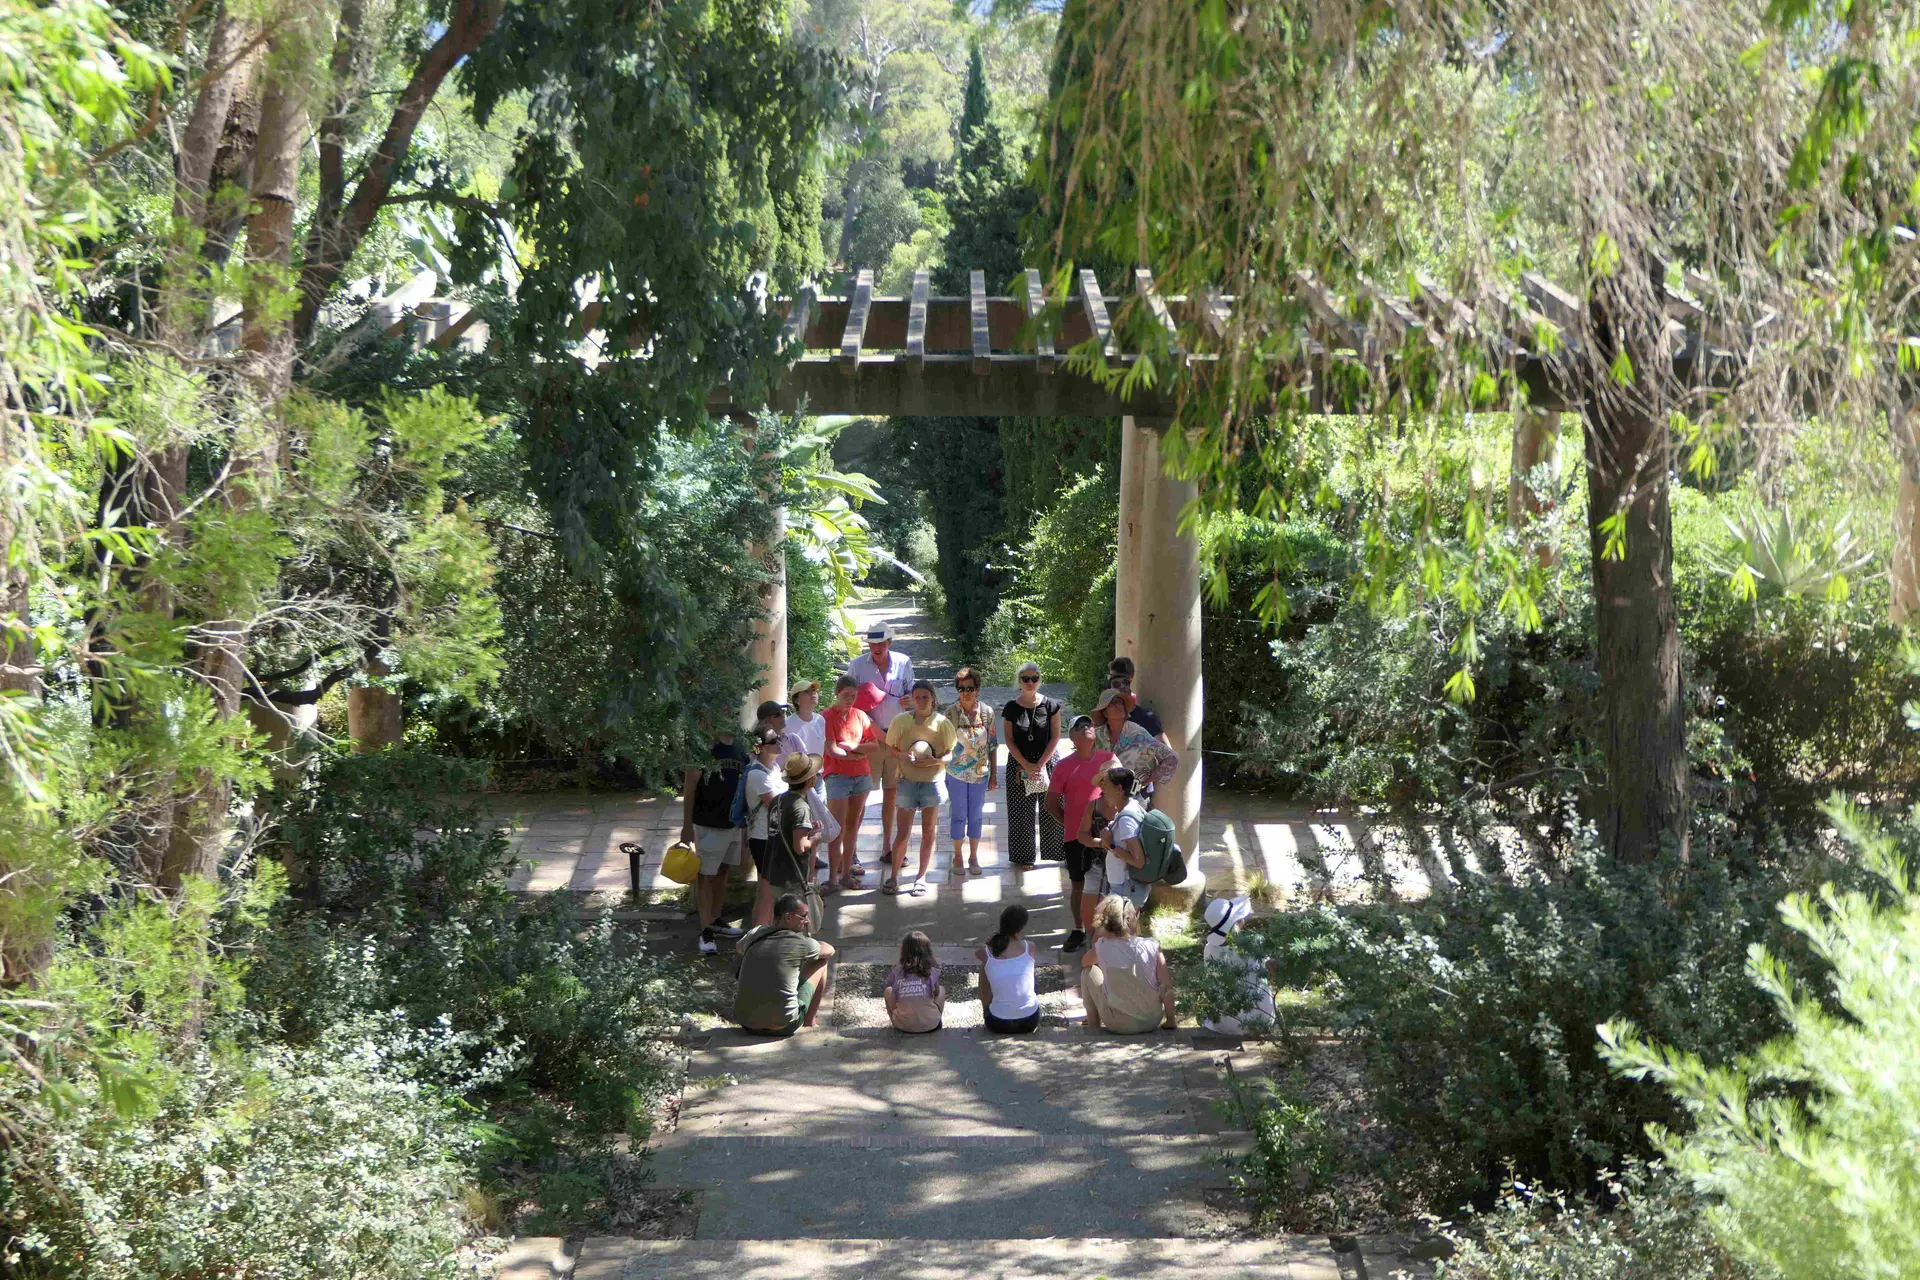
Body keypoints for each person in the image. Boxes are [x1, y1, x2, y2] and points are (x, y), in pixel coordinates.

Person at [1045, 714, 1115, 954]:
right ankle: (1079, 930)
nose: (1086, 728)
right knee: (1078, 885)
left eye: (1089, 725)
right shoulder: (1063, 766)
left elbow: (1122, 791)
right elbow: (1050, 803)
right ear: (1071, 735)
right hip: (1075, 837)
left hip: (1107, 833)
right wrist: (1068, 822)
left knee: (1109, 882)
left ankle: (1107, 930)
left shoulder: (1109, 759)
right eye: (1080, 725)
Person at [846, 624, 914, 868]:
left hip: (897, 737)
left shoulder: (904, 662)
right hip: (869, 740)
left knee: (892, 795)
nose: (876, 648)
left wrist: (910, 701)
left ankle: (888, 849)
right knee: (860, 797)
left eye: (881, 643)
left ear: (890, 643)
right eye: (872, 643)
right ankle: (851, 854)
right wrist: (881, 737)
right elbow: (851, 705)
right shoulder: (857, 666)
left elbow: (912, 699)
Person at [679, 726, 748, 956]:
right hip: (707, 824)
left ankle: (716, 919)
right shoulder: (703, 748)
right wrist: (686, 826)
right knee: (706, 876)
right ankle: (705, 931)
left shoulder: (739, 746)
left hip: (733, 824)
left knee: (723, 871)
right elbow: (689, 790)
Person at [884, 680, 955, 896]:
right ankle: (894, 876)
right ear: (912, 699)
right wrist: (902, 755)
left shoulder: (942, 723)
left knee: (928, 831)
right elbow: (892, 748)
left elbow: (951, 754)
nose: (922, 701)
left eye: (926, 697)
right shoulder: (901, 721)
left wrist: (935, 761)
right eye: (918, 697)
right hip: (907, 781)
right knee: (903, 832)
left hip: (932, 782)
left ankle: (921, 877)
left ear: (933, 698)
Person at [733, 892, 835, 1035]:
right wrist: (818, 944)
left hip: (746, 1024)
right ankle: (809, 1022)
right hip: (784, 1026)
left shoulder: (756, 932)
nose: (806, 921)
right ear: (788, 917)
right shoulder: (800, 943)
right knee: (821, 963)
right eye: (804, 916)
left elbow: (739, 947)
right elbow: (830, 951)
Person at [1080, 894, 1177, 1034]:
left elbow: (1084, 962)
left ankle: (1094, 1027)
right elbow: (1166, 987)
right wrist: (1170, 1019)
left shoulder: (1101, 946)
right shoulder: (1152, 945)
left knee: (1087, 972)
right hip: (1152, 1021)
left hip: (1117, 1024)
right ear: (1134, 918)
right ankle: (1170, 1019)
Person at [821, 673, 882, 889]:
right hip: (837, 776)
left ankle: (846, 873)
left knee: (852, 827)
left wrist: (855, 749)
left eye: (853, 696)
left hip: (861, 776)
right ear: (837, 693)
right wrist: (858, 753)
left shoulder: (861, 715)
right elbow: (833, 750)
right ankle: (831, 878)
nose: (850, 699)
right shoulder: (826, 716)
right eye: (846, 695)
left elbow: (873, 745)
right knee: (835, 828)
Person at [1000, 661, 1062, 869]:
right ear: (1019, 681)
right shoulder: (1010, 708)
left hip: (1047, 762)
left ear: (1039, 681)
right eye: (1025, 678)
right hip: (1019, 764)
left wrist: (1041, 764)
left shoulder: (1051, 705)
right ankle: (1023, 857)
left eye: (1034, 678)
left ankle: (1056, 852)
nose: (1030, 682)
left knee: (1051, 809)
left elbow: (1055, 737)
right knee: (1020, 811)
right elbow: (1009, 740)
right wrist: (1026, 765)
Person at [943, 666, 997, 879]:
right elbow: (943, 743)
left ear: (978, 690)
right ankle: (957, 855)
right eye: (962, 688)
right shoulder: (950, 713)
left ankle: (973, 856)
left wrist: (993, 775)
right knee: (958, 814)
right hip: (955, 772)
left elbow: (992, 745)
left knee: (975, 815)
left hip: (979, 773)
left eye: (970, 688)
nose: (966, 692)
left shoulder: (987, 713)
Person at [1200, 897, 1279, 1036]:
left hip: (1224, 1022)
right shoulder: (1255, 942)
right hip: (1260, 1018)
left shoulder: (1209, 950)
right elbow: (1271, 972)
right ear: (1238, 922)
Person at [1091, 687, 1178, 810]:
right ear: (1104, 712)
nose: (1118, 705)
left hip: (1134, 799)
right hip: (1105, 799)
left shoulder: (1137, 733)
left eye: (1120, 702)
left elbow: (1171, 757)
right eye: (1112, 703)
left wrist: (1147, 779)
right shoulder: (1098, 735)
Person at [1086, 762, 1152, 909]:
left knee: (1119, 931)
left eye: (1106, 786)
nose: (1102, 790)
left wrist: (1110, 845)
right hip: (1125, 886)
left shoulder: (1126, 819)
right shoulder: (1132, 806)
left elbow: (1138, 861)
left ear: (1119, 789)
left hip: (1126, 888)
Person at [744, 727, 788, 926]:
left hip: (774, 836)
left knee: (769, 889)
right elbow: (777, 805)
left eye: (779, 738)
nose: (779, 742)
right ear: (759, 747)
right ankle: (759, 935)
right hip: (763, 838)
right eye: (773, 741)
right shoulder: (757, 775)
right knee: (767, 891)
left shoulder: (775, 768)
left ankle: (763, 932)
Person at [977, 903, 1041, 1035]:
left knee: (985, 965)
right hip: (1030, 1020)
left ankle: (986, 1008)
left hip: (998, 1023)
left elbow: (977, 953)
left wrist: (990, 944)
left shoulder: (987, 951)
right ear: (1021, 927)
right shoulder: (1031, 947)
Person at [885, 929, 946, 1033]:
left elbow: (894, 996)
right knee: (941, 990)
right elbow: (936, 993)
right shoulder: (931, 971)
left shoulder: (898, 971)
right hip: (931, 1025)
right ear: (927, 952)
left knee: (888, 991)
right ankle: (934, 1017)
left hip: (902, 1026)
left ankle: (898, 1020)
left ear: (904, 951)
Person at [1107, 657, 1168, 743]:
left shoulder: (1145, 718)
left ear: (1129, 681)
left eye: (1124, 683)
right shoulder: (1104, 719)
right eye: (1114, 683)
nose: (1121, 687)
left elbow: (1168, 754)